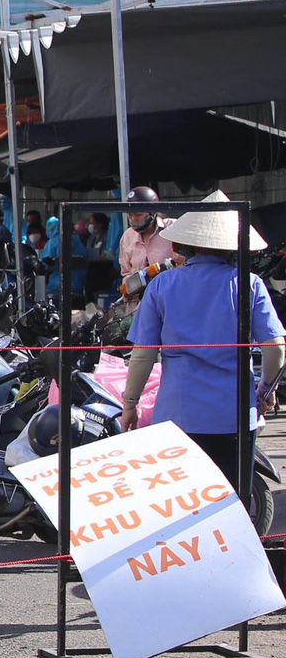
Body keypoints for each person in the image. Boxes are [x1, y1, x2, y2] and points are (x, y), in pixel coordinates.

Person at [124, 192, 286, 525]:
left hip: (177, 417)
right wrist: (265, 391)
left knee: (180, 510)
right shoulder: (249, 284)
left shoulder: (163, 285)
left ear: (185, 244)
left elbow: (142, 356)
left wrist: (130, 404)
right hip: (234, 416)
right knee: (230, 509)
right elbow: (276, 349)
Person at [118, 187, 180, 275]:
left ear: (152, 212)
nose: (133, 218)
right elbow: (126, 273)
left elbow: (185, 263)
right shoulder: (127, 237)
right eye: (130, 215)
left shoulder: (172, 227)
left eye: (138, 214)